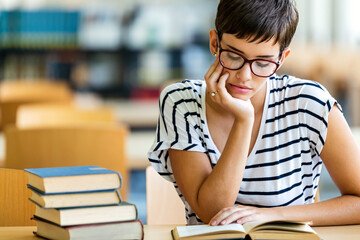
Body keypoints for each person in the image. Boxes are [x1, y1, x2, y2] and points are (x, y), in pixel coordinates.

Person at [148, 0, 360, 226]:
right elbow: (212, 212)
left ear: (281, 59)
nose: (244, 76)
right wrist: (244, 120)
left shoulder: (309, 103)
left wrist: (272, 215)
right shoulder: (181, 102)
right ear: (214, 44)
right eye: (234, 56)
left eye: (263, 63)